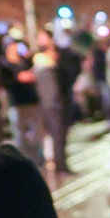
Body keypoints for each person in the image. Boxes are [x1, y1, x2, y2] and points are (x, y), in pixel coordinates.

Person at [33, 31, 73, 175]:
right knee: (56, 135)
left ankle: (60, 162)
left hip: (57, 103)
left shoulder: (57, 64)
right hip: (52, 105)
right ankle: (59, 163)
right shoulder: (43, 66)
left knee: (60, 134)